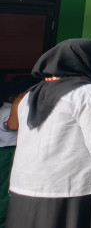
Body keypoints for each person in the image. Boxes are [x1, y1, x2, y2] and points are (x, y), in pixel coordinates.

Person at [8, 39, 91, 227]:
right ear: (87, 60)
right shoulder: (89, 93)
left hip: (27, 184)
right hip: (73, 187)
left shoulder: (31, 94)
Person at [0, 77, 37, 228]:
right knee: (5, 190)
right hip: (8, 153)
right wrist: (17, 104)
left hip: (8, 152)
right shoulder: (8, 109)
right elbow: (13, 125)